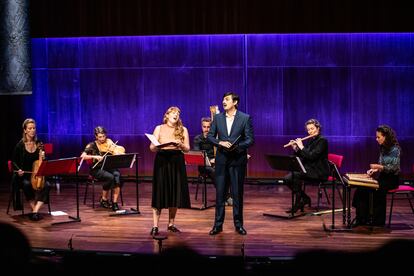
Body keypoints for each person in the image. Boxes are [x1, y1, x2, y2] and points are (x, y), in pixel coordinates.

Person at [207, 92, 254, 235]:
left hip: (237, 160)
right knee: (220, 194)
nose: (223, 102)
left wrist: (237, 147)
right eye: (223, 99)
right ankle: (218, 225)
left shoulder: (245, 118)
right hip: (222, 161)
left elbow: (250, 139)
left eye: (227, 99)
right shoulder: (218, 118)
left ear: (235, 102)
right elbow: (210, 136)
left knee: (237, 194)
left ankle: (238, 224)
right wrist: (219, 142)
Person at [149, 106, 191, 236]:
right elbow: (151, 147)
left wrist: (181, 145)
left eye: (178, 113)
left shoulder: (183, 129)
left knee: (175, 192)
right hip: (162, 161)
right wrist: (157, 145)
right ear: (167, 115)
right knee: (160, 192)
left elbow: (187, 149)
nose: (176, 114)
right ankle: (155, 226)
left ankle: (171, 223)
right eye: (173, 112)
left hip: (176, 161)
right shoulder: (159, 128)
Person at [352, 125, 401, 227]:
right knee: (362, 188)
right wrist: (373, 170)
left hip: (392, 179)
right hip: (383, 177)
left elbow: (394, 168)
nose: (376, 139)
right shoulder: (382, 148)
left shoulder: (395, 149)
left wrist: (379, 167)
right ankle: (362, 218)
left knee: (377, 191)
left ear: (385, 137)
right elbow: (381, 165)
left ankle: (377, 221)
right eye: (376, 137)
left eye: (378, 137)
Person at [284, 118, 330, 214]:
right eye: (308, 129)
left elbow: (312, 156)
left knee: (294, 176)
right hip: (309, 169)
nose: (310, 131)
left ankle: (300, 201)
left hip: (319, 171)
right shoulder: (311, 140)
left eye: (312, 129)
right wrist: (296, 148)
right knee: (288, 178)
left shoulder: (322, 141)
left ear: (318, 128)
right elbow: (305, 156)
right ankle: (303, 198)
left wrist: (301, 146)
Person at [11, 118, 51, 221]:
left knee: (47, 185)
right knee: (26, 184)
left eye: (34, 128)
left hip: (37, 175)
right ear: (25, 130)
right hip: (24, 175)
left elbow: (44, 162)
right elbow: (13, 161)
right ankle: (34, 210)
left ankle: (35, 211)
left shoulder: (39, 144)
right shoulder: (20, 145)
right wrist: (18, 170)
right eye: (30, 128)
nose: (32, 130)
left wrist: (43, 156)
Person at [80, 126, 123, 211]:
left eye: (104, 136)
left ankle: (114, 202)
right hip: (96, 169)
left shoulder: (109, 142)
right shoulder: (91, 145)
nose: (102, 139)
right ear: (96, 136)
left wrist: (117, 152)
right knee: (110, 177)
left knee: (117, 175)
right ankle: (104, 199)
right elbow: (82, 156)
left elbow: (116, 150)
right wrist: (94, 156)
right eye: (100, 137)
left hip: (107, 167)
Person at [193, 117, 232, 205]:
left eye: (208, 127)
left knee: (228, 168)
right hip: (204, 165)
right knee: (214, 171)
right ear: (201, 127)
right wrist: (210, 160)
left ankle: (224, 196)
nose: (206, 129)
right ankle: (225, 196)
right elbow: (197, 154)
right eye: (204, 127)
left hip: (216, 162)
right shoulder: (197, 138)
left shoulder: (215, 138)